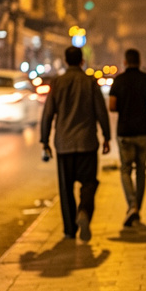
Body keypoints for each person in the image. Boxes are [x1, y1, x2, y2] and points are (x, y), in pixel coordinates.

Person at [40, 46, 111, 241]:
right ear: (82, 61)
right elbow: (101, 112)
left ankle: (70, 230)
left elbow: (47, 114)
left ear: (65, 61)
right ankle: (84, 212)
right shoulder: (90, 82)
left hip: (64, 144)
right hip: (87, 143)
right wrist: (107, 136)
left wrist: (44, 140)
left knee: (66, 188)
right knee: (89, 183)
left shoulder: (57, 82)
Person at [108, 48, 146, 227]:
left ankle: (132, 205)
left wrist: (124, 106)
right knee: (141, 170)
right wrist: (144, 106)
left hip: (125, 131)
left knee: (125, 169)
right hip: (144, 130)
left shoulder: (119, 81)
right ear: (139, 61)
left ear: (125, 62)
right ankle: (137, 208)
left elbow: (112, 106)